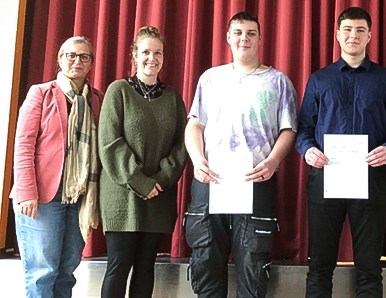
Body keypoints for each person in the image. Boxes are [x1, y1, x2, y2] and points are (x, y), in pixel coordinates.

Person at [184, 11, 298, 298]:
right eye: (238, 32)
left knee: (253, 264)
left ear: (260, 38)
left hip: (256, 181)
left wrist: (273, 161)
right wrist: (198, 161)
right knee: (206, 259)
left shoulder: (278, 81)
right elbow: (194, 125)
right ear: (228, 38)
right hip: (211, 181)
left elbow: (289, 130)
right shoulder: (211, 78)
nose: (243, 38)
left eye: (250, 33)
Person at [296, 7, 386, 298]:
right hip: (325, 178)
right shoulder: (320, 79)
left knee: (370, 266)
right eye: (347, 29)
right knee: (320, 264)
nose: (353, 35)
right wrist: (307, 150)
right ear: (337, 34)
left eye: (360, 30)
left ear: (369, 35)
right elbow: (304, 128)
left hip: (370, 179)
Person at [97, 26, 188, 298]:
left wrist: (158, 181)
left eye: (157, 52)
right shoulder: (118, 91)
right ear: (134, 55)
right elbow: (110, 143)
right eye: (146, 52)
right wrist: (139, 181)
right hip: (122, 194)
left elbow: (182, 145)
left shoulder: (173, 98)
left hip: (158, 196)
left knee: (146, 266)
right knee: (119, 265)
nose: (152, 58)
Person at [10, 36, 103, 298]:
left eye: (84, 56)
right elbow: (24, 145)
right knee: (42, 273)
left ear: (91, 63)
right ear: (60, 60)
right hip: (41, 199)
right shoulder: (40, 93)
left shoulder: (98, 99)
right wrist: (27, 191)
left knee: (66, 273)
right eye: (70, 55)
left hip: (79, 199)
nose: (77, 61)